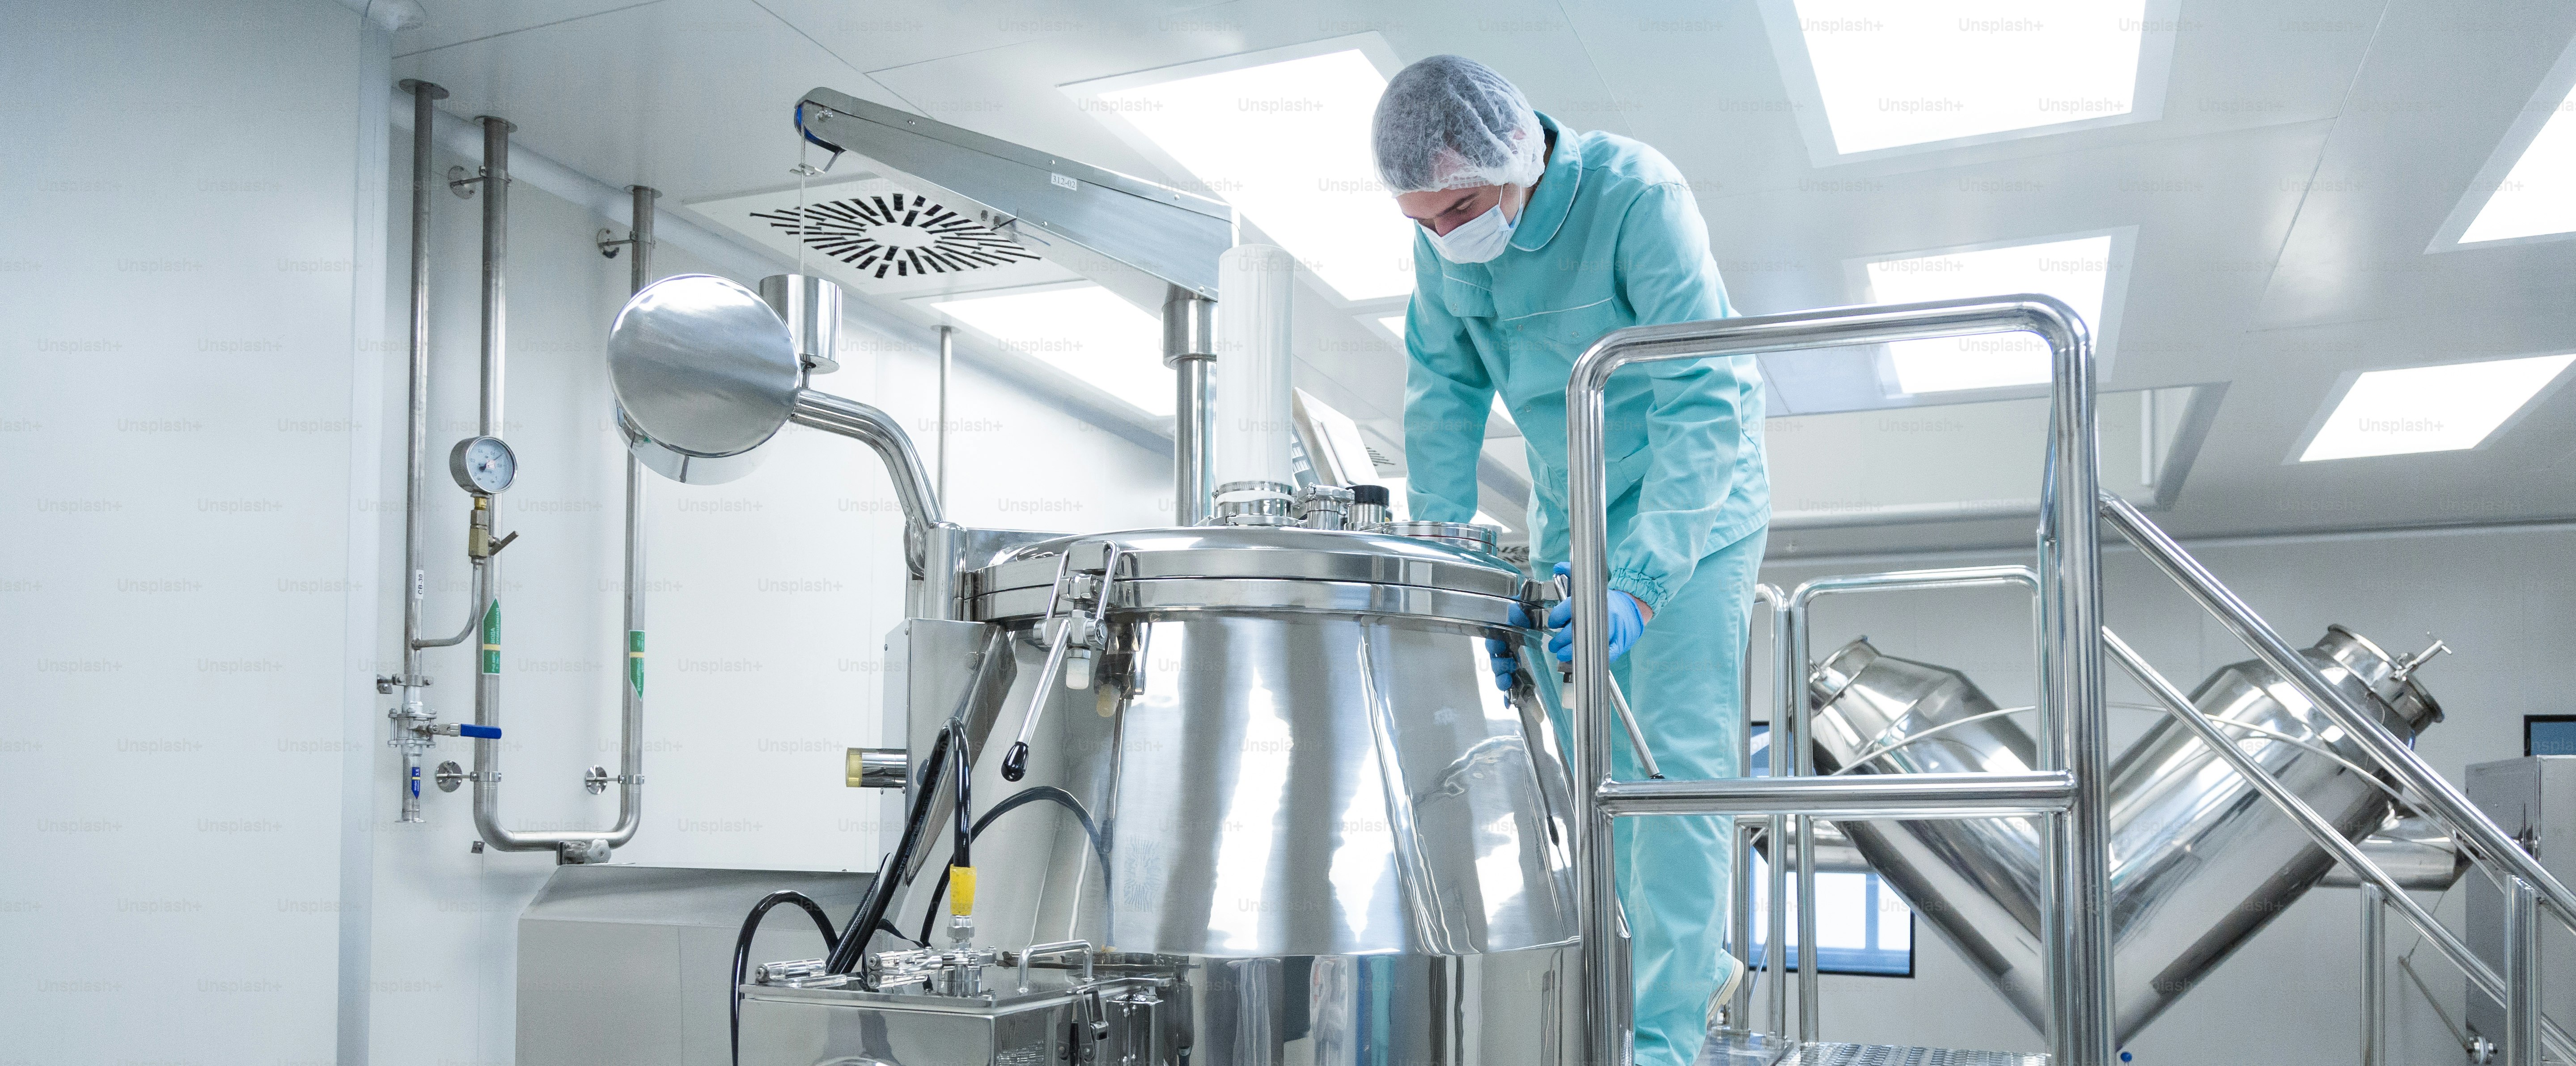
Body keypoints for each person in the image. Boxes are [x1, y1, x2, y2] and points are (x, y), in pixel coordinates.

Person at [1372, 55, 1769, 1066]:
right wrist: (1442, 561)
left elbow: (1705, 399)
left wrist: (1642, 580)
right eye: (1423, 221)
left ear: (1515, 159)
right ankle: (1620, 988)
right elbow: (1441, 400)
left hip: (1697, 509)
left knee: (1668, 770)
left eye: (1457, 208)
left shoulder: (1639, 199)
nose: (1445, 236)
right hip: (1573, 509)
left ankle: (1666, 1033)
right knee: (1580, 773)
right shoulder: (1443, 246)